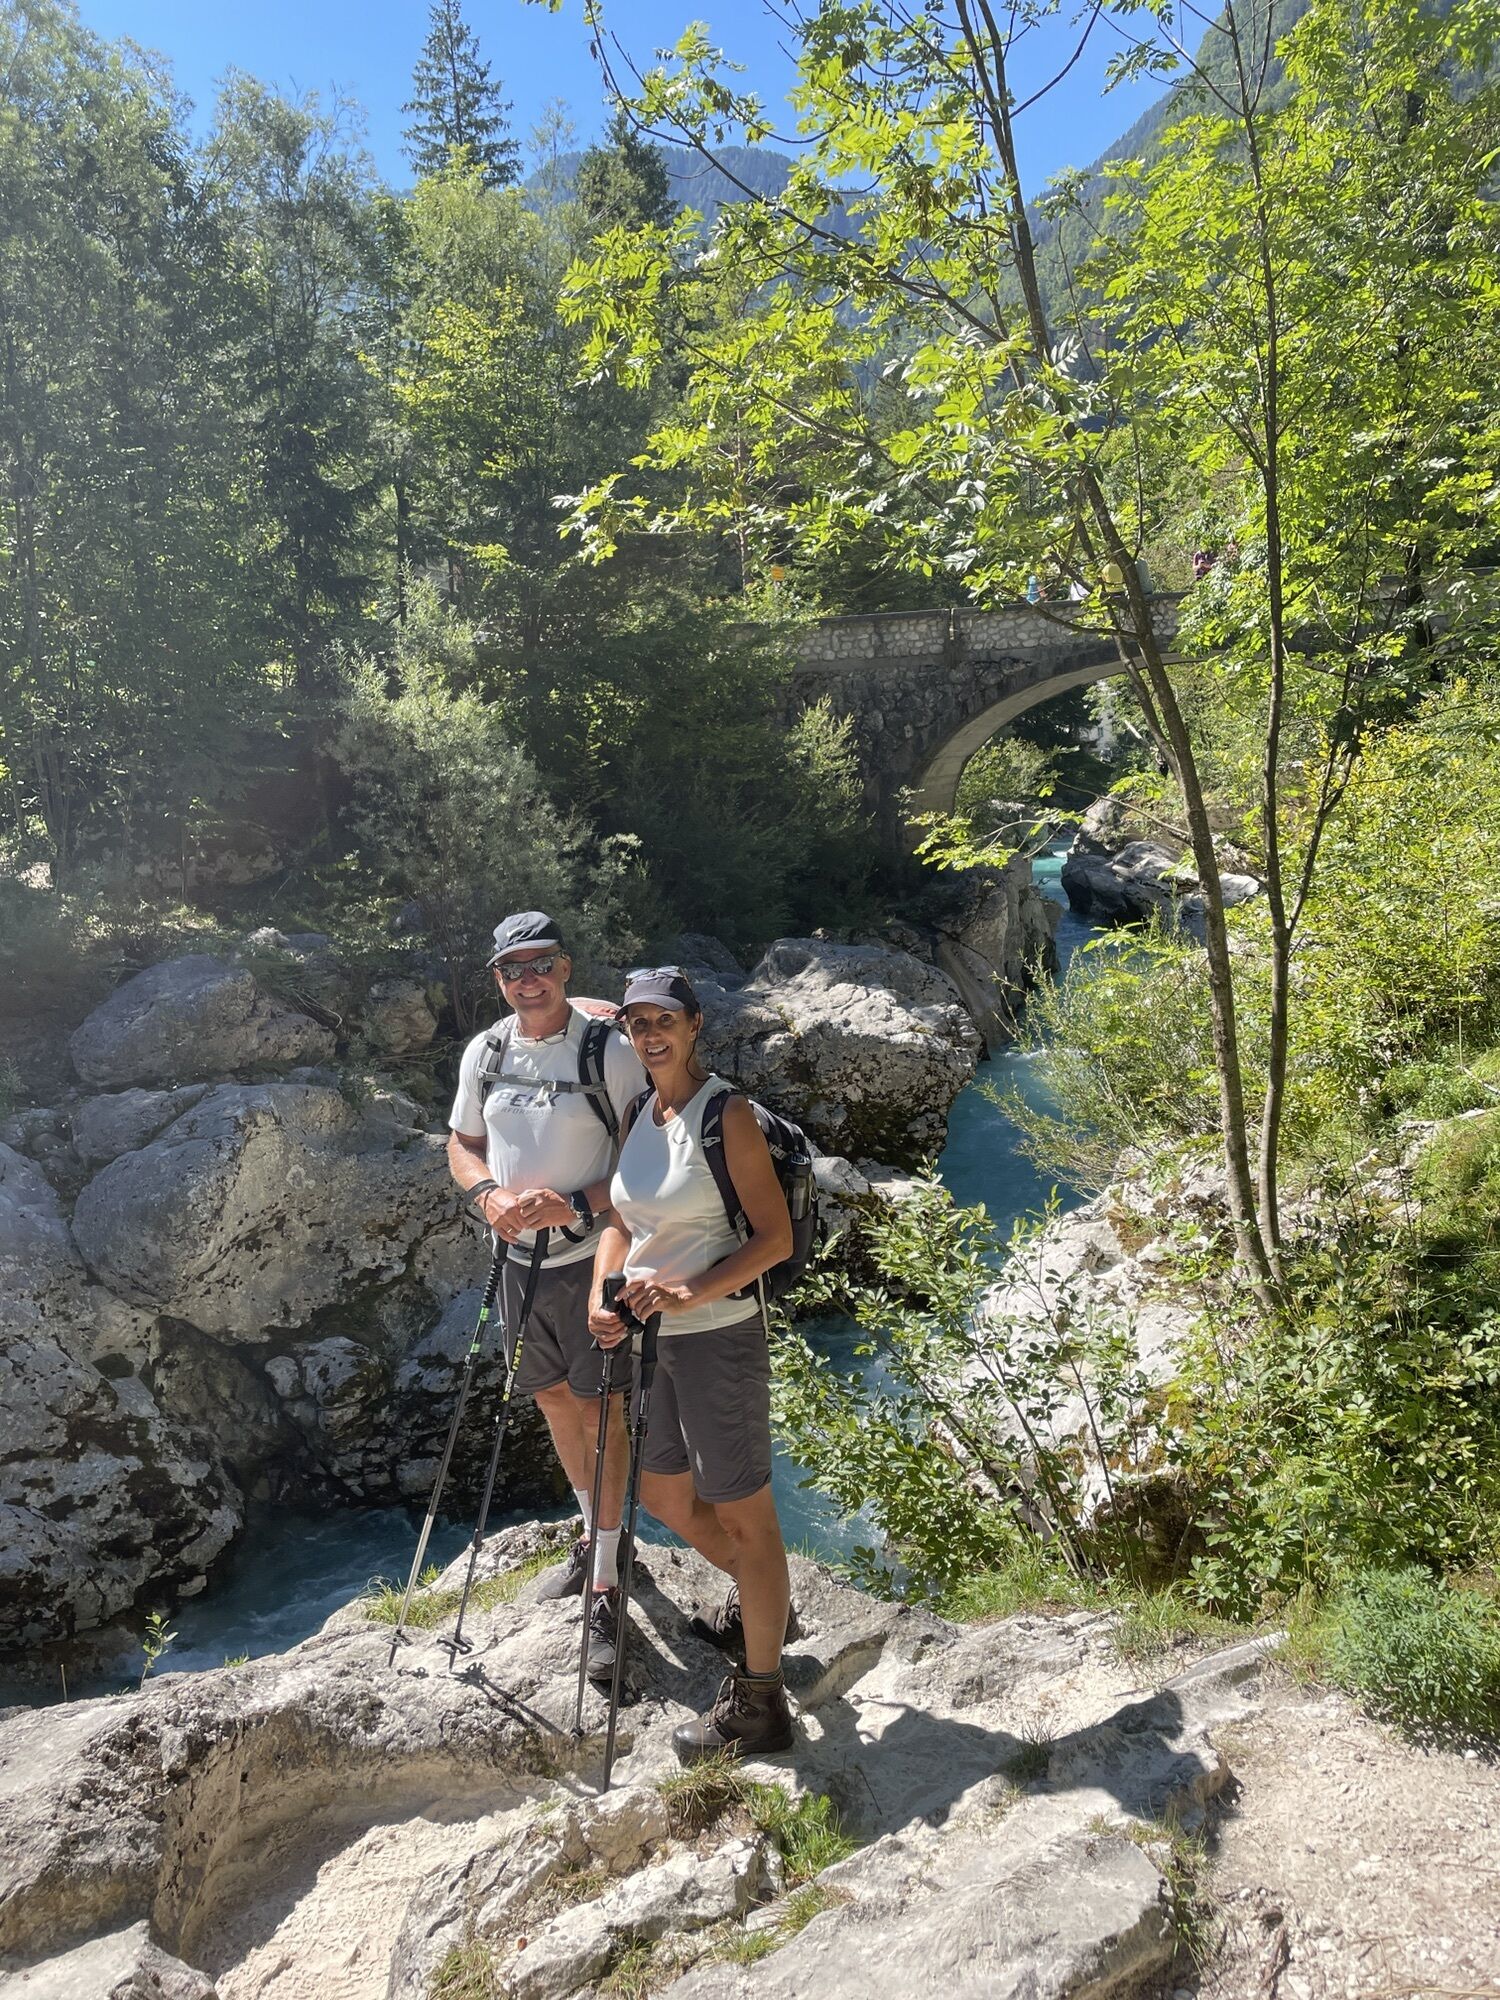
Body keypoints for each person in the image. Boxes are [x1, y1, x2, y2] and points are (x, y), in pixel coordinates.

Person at [588, 967, 796, 1763]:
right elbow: (620, 1219)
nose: (651, 1035)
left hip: (718, 1336)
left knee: (745, 1513)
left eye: (664, 1020)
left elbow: (773, 1238)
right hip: (652, 1340)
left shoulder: (725, 1114)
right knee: (664, 1492)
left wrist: (691, 1290)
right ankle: (766, 1603)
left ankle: (761, 1703)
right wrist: (602, 1294)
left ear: (695, 1024)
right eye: (638, 1023)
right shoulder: (640, 1111)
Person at [448, 910, 646, 1675]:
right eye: (512, 969)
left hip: (593, 1256)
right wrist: (488, 1196)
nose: (527, 980)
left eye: (540, 964)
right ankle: (599, 1536)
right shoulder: (487, 1050)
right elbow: (463, 1143)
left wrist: (579, 1204)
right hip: (515, 1262)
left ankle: (606, 1583)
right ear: (498, 979)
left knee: (601, 1410)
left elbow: (649, 1157)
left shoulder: (609, 1051)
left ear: (565, 968)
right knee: (556, 1400)